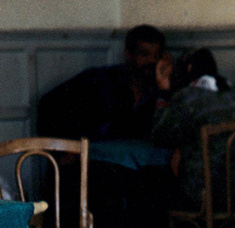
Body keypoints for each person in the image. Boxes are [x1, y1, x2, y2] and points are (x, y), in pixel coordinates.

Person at [150, 47, 235, 210]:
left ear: (189, 70)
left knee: (150, 183)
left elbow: (158, 135)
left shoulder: (188, 96)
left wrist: (163, 92)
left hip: (205, 195)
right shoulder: (234, 95)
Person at [37, 24, 170, 141]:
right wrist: (63, 151)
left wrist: (164, 88)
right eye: (144, 54)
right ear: (128, 54)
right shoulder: (101, 80)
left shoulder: (161, 89)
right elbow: (48, 104)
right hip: (95, 162)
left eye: (157, 56)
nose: (152, 62)